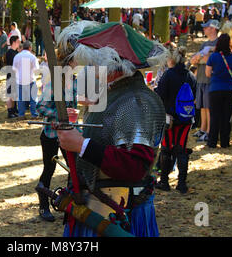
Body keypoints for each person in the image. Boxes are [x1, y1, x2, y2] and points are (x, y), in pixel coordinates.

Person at [55, 21, 167, 237]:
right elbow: (99, 151)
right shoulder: (113, 94)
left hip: (118, 217)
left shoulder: (136, 101)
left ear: (110, 63)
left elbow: (135, 166)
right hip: (95, 211)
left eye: (92, 62)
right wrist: (72, 138)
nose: (88, 68)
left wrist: (81, 144)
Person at [35, 48, 78, 222]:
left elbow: (73, 105)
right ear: (69, 62)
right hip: (51, 134)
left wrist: (72, 114)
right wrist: (57, 115)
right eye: (76, 60)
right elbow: (40, 107)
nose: (78, 64)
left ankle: (69, 205)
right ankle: (43, 205)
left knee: (73, 168)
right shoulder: (53, 82)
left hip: (69, 132)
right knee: (49, 169)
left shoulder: (74, 81)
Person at [154, 46, 197, 193]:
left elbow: (160, 95)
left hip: (169, 119)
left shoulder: (168, 75)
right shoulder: (190, 75)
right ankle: (182, 184)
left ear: (171, 59)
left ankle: (164, 182)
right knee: (182, 150)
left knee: (166, 149)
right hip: (185, 119)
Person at [205, 33, 232, 148]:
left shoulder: (213, 56)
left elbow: (207, 73)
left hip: (215, 89)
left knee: (215, 116)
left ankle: (212, 142)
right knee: (226, 117)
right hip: (230, 89)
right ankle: (224, 143)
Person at [190, 19, 220, 143]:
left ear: (213, 28)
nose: (204, 29)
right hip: (201, 78)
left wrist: (202, 58)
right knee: (202, 106)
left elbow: (211, 60)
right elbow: (194, 60)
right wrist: (202, 58)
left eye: (206, 27)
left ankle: (209, 131)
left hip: (210, 80)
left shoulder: (219, 43)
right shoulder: (204, 44)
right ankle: (202, 129)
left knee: (208, 107)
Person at [12, 40, 39, 118]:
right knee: (33, 98)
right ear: (30, 48)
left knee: (21, 99)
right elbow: (36, 69)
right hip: (30, 79)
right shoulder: (32, 57)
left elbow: (14, 68)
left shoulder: (17, 56)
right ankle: (34, 114)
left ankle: (21, 114)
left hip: (20, 80)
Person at [5, 35, 20, 118]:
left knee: (14, 94)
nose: (19, 43)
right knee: (10, 94)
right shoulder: (10, 52)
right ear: (13, 42)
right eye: (18, 42)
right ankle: (10, 111)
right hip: (11, 76)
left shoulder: (16, 52)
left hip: (16, 76)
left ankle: (14, 109)